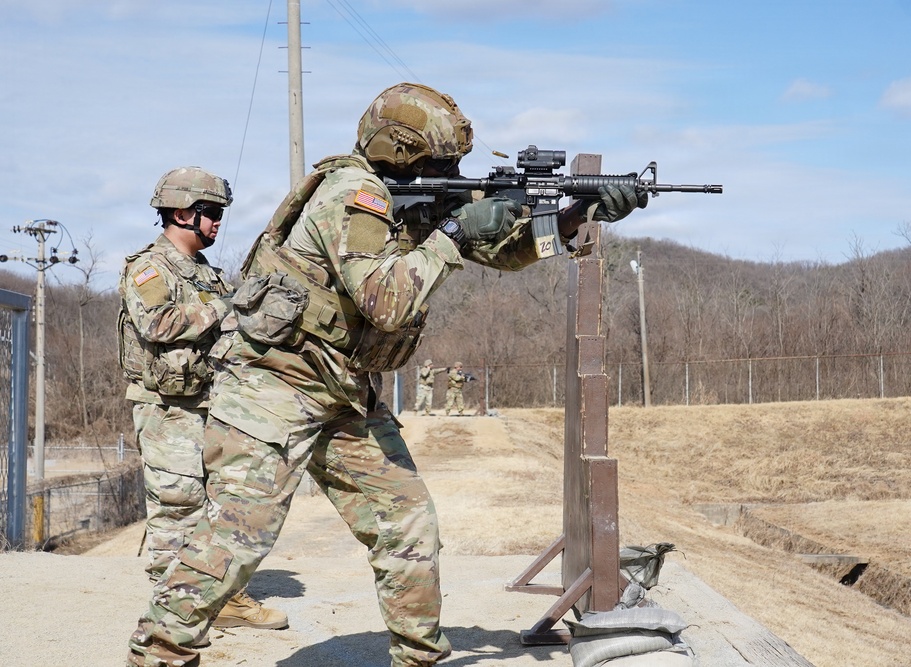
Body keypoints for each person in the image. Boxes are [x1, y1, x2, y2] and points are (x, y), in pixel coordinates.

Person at [125, 82, 645, 667]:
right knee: (238, 536)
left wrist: (579, 212)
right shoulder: (353, 196)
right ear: (403, 153)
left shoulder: (414, 202)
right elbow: (388, 302)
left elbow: (506, 252)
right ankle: (159, 654)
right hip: (273, 383)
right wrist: (452, 235)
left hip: (343, 389)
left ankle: (419, 656)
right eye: (442, 162)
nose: (452, 171)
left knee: (408, 524)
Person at [117, 167, 288, 639]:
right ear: (180, 213)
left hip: (212, 402)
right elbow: (159, 323)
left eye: (218, 214)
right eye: (210, 214)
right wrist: (228, 306)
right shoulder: (149, 267)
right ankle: (170, 614)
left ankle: (221, 596)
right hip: (167, 407)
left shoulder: (206, 274)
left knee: (219, 505)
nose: (216, 223)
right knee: (177, 504)